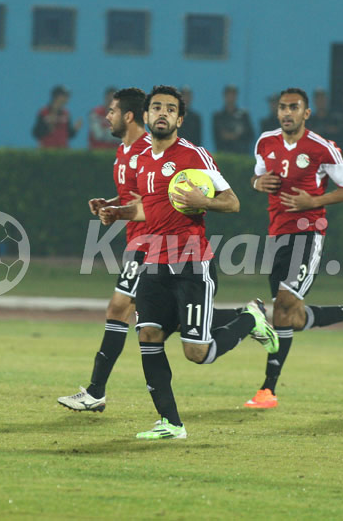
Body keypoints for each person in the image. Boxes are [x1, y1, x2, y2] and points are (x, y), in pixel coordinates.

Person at [99, 85, 279, 440]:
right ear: (146, 116)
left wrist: (203, 200)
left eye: (170, 109)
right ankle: (171, 423)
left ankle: (250, 319)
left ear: (180, 119)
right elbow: (148, 207)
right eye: (156, 108)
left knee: (198, 353)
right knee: (149, 335)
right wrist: (117, 212)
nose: (162, 113)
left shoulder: (194, 155)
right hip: (153, 262)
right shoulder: (142, 159)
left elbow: (232, 202)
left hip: (192, 265)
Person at [247, 87, 343, 408]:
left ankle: (268, 389)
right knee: (290, 317)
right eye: (282, 107)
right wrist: (258, 184)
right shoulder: (265, 142)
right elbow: (257, 177)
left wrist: (315, 200)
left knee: (283, 306)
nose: (287, 112)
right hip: (277, 234)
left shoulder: (322, 148)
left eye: (294, 107)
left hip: (308, 233)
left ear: (306, 113)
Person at [57, 88, 150, 412]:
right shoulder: (124, 150)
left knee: (118, 308)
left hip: (153, 243)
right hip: (137, 242)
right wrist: (110, 203)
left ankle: (96, 391)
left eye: (111, 111)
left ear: (128, 116)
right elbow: (132, 194)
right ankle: (245, 318)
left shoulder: (148, 150)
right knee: (161, 320)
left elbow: (154, 202)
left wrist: (118, 212)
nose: (106, 116)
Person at [212, 85, 254, 154]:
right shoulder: (218, 116)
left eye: (233, 95)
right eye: (228, 95)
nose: (231, 97)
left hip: (241, 154)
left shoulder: (244, 115)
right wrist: (235, 135)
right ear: (224, 96)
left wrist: (234, 136)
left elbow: (250, 135)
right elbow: (218, 136)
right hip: (224, 153)